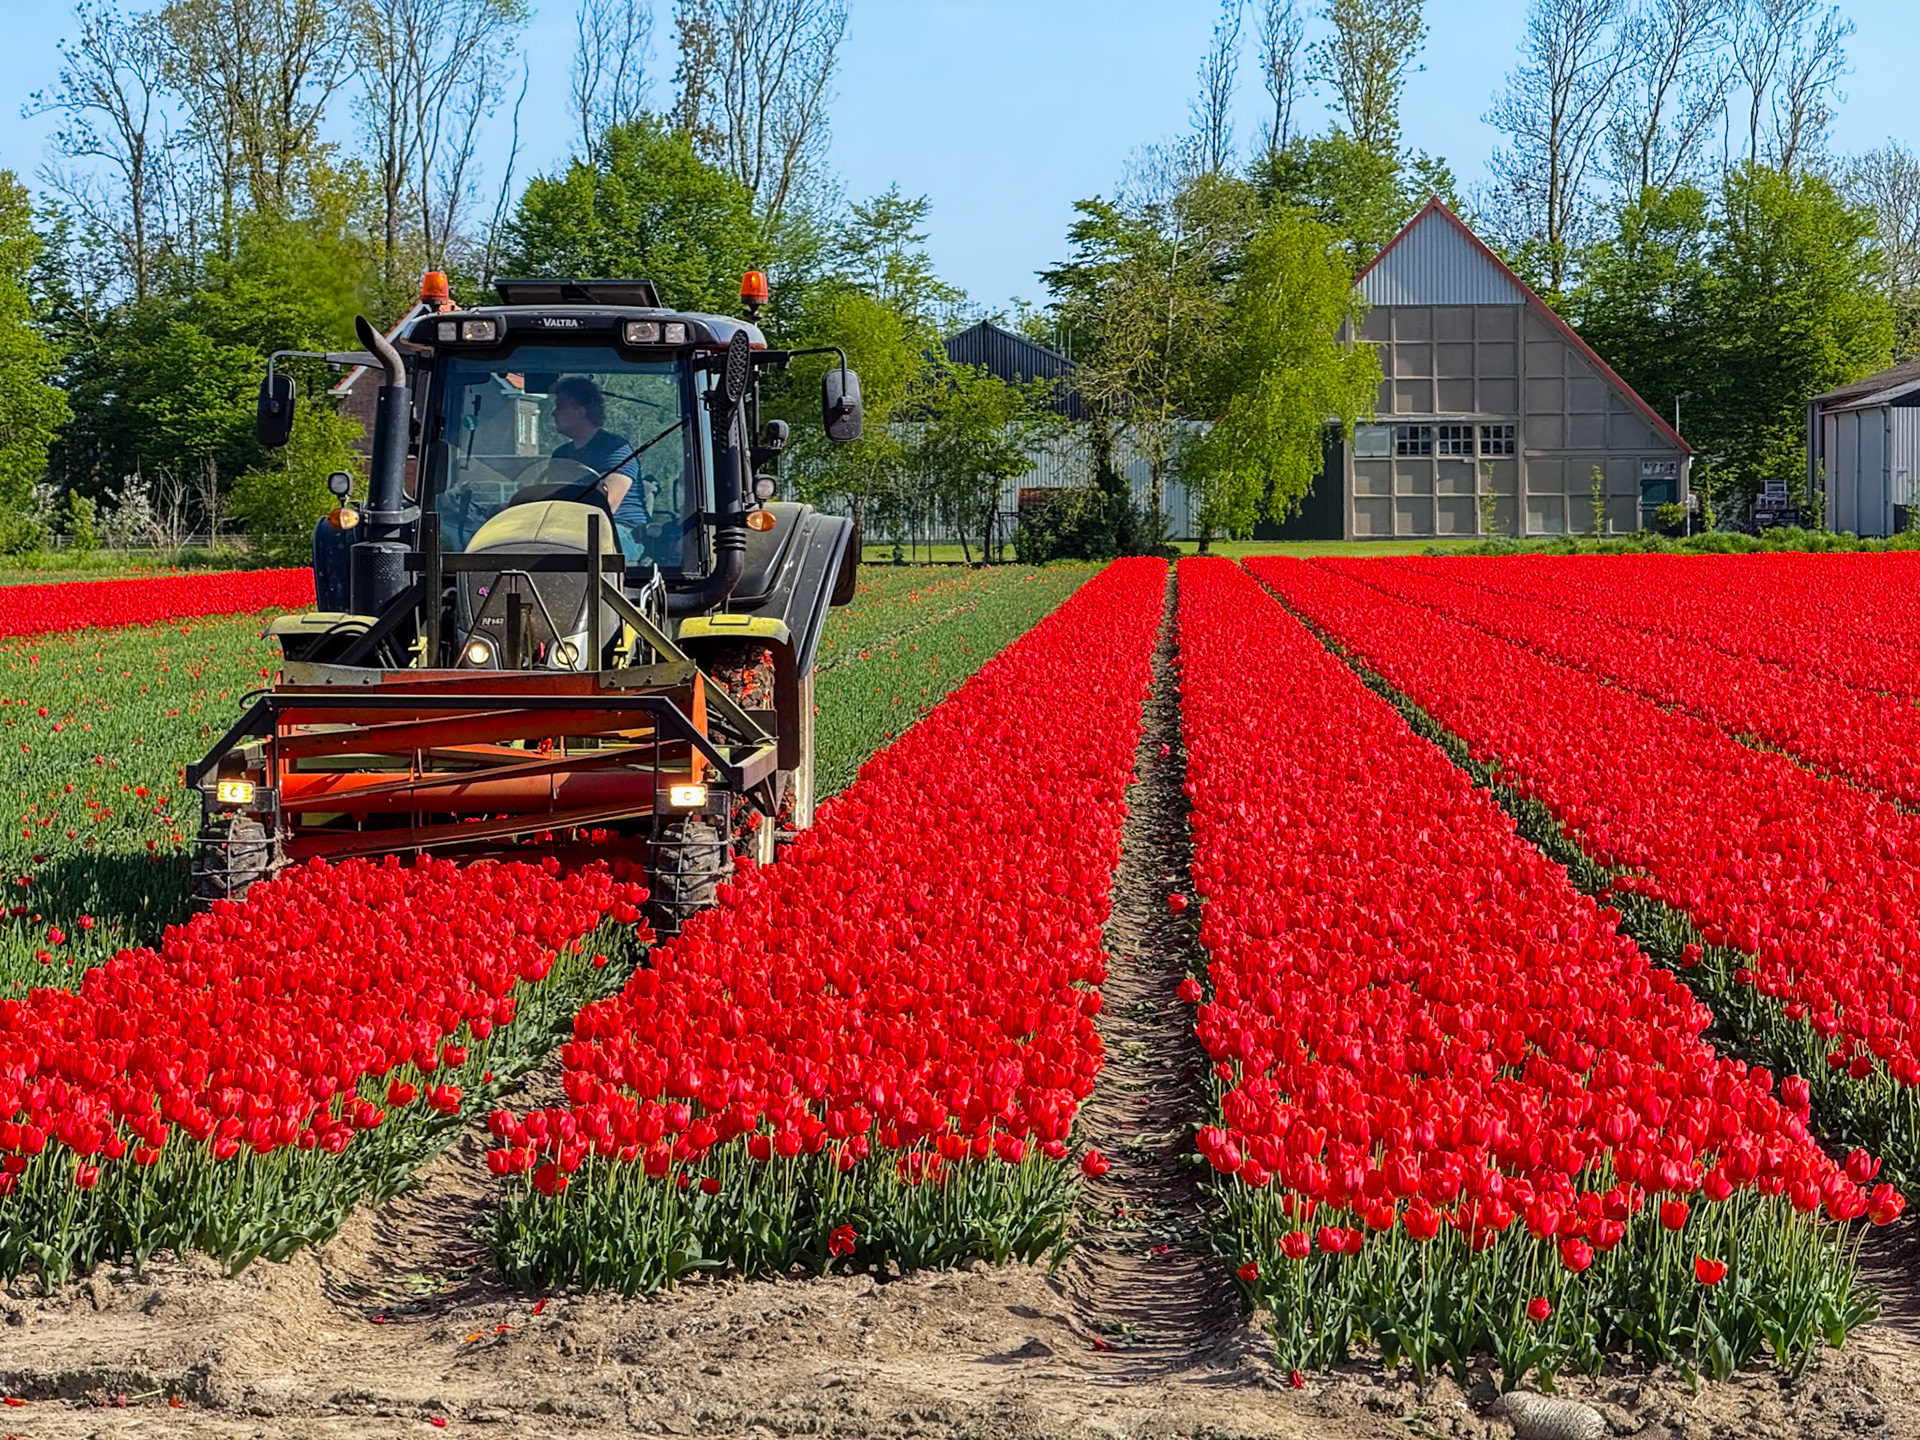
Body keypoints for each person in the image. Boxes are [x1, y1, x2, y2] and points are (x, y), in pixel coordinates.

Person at [550, 376, 649, 554]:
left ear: (580, 411)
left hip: (621, 530)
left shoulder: (614, 448)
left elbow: (606, 505)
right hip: (572, 528)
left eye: (560, 406)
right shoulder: (560, 455)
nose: (553, 413)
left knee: (580, 548)